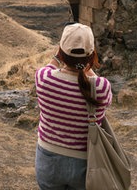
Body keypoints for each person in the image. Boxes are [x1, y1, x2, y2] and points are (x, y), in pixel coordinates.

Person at [35, 22, 113, 189]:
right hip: (86, 162)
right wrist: (86, 65)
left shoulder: (43, 78)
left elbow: (51, 65)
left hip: (48, 160)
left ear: (61, 51)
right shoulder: (101, 87)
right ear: (92, 55)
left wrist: (59, 55)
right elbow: (90, 80)